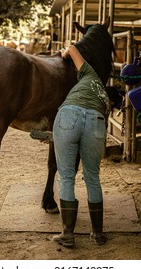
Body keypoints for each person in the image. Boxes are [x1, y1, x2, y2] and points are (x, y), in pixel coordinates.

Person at [51, 44, 112, 248]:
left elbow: (72, 47)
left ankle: (68, 234)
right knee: (93, 177)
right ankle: (97, 234)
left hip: (68, 116)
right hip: (96, 120)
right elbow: (93, 123)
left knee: (67, 176)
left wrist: (62, 54)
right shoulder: (104, 98)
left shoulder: (89, 72)